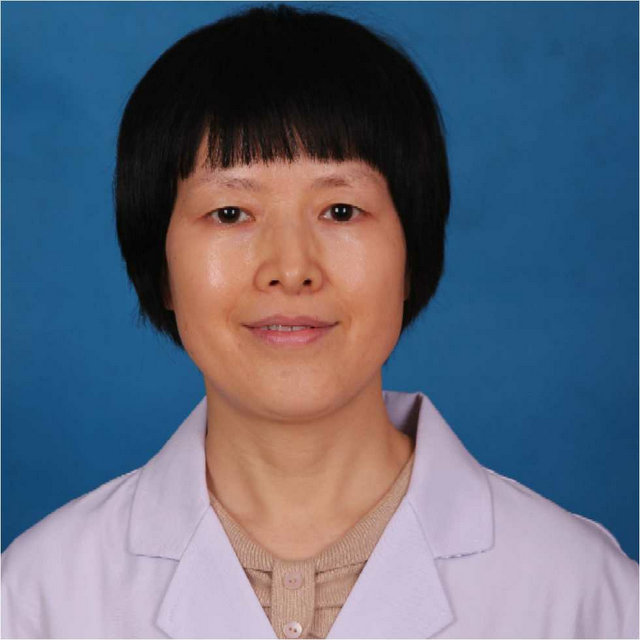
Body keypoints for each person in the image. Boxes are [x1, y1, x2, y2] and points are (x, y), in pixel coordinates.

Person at [1, 4, 637, 639]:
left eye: (340, 210)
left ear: (411, 255)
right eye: (230, 213)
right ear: (161, 266)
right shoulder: (36, 598)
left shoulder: (584, 594)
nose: (291, 268)